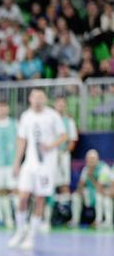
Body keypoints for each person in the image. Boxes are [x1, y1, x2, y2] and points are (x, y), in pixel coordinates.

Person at [9, 89, 68, 250]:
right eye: (35, 97)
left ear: (45, 99)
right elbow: (22, 140)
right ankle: (20, 231)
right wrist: (16, 162)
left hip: (46, 166)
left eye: (41, 97)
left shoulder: (52, 115)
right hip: (29, 164)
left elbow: (64, 135)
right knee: (22, 197)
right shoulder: (26, 116)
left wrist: (50, 146)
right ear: (30, 99)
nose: (37, 100)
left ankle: (31, 236)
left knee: (40, 199)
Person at [46, 97, 78, 228]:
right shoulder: (48, 120)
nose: (60, 106)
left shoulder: (69, 121)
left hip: (63, 156)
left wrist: (63, 152)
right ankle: (49, 216)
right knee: (49, 184)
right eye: (58, 104)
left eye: (63, 104)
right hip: (50, 157)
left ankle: (65, 214)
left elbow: (72, 141)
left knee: (64, 184)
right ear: (54, 105)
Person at [0, 101, 17, 228]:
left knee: (14, 189)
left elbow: (21, 142)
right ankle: (3, 217)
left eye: (4, 107)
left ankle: (17, 217)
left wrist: (18, 161)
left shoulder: (14, 124)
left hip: (11, 163)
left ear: (8, 109)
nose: (2, 110)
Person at [70, 149, 111, 228]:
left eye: (92, 159)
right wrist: (80, 191)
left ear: (97, 159)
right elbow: (80, 186)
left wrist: (90, 175)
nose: (91, 161)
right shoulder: (86, 169)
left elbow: (99, 188)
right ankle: (75, 220)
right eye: (89, 159)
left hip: (104, 192)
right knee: (75, 196)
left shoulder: (104, 168)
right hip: (91, 192)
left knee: (98, 196)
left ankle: (98, 221)